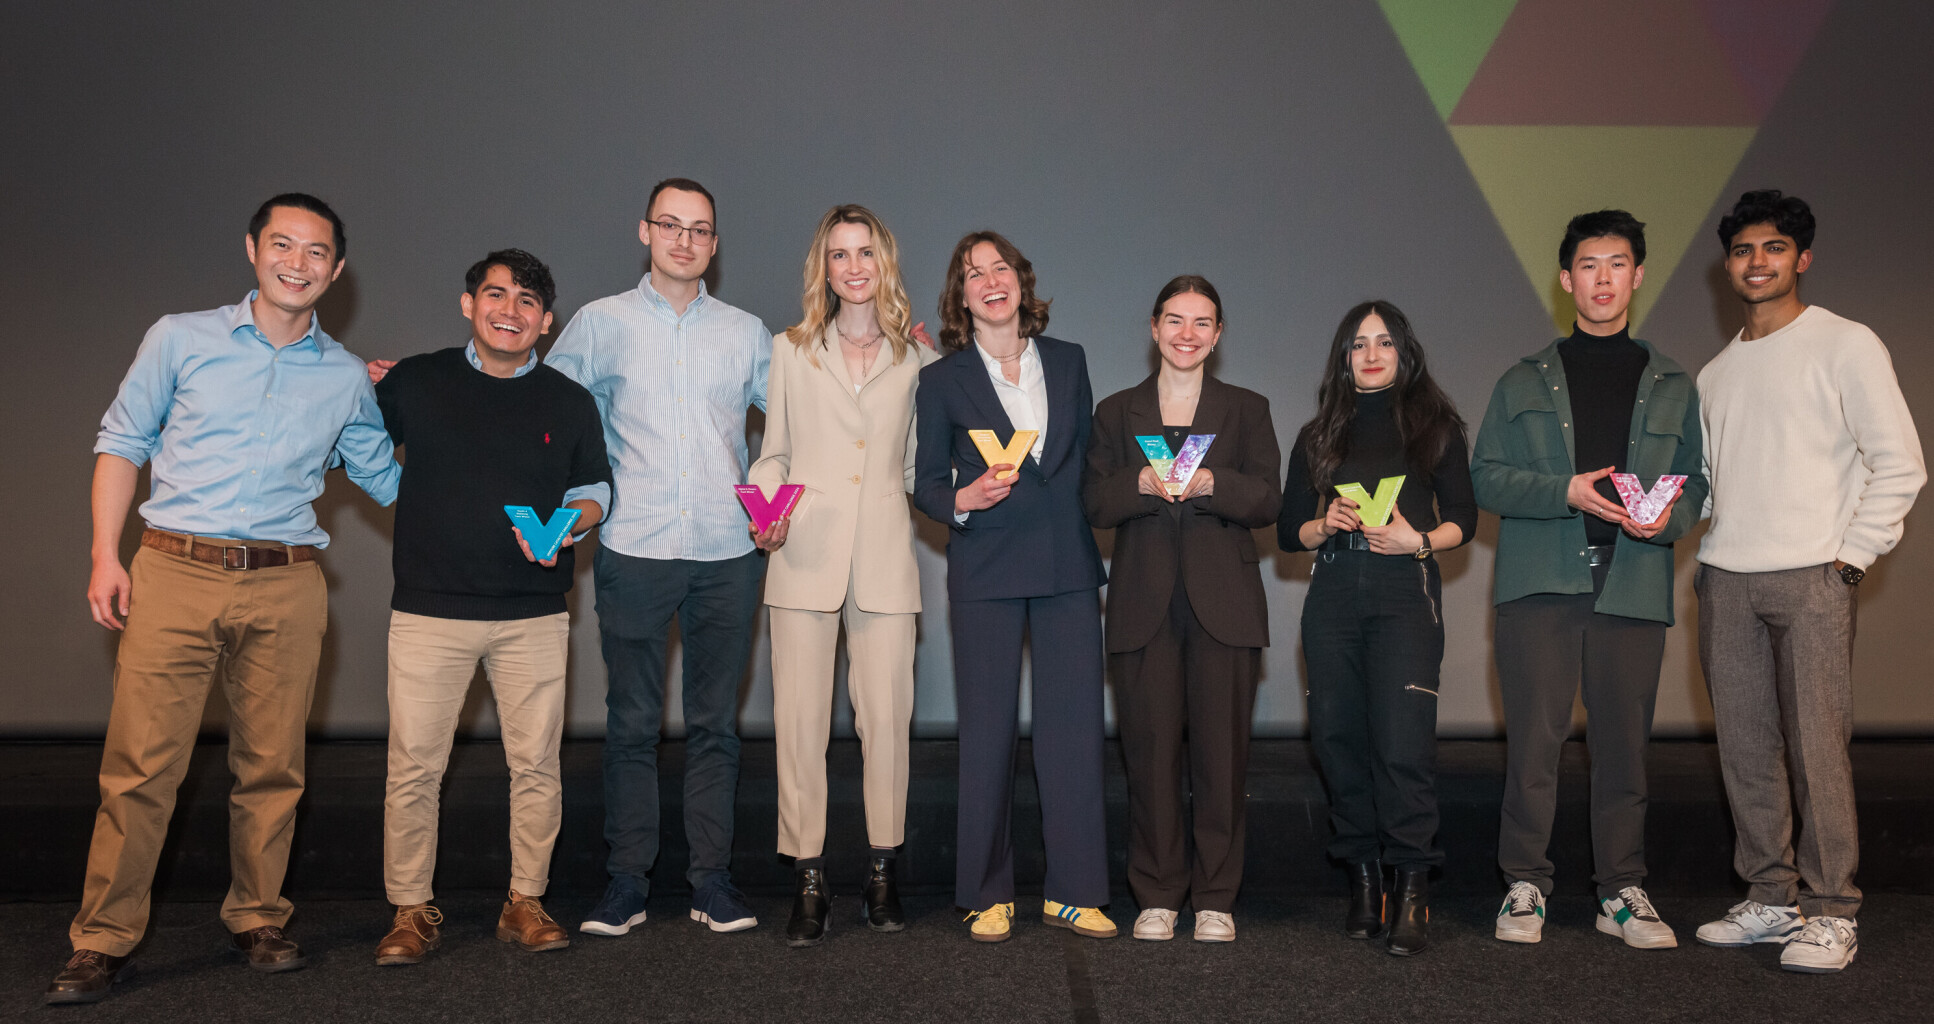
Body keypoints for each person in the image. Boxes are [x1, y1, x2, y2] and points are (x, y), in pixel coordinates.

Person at [53, 194, 401, 1005]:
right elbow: (121, 441)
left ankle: (257, 917)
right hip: (173, 570)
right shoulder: (180, 337)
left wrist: (425, 400)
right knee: (139, 768)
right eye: (283, 244)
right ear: (253, 249)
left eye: (317, 252)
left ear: (337, 270)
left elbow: (387, 480)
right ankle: (100, 939)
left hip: (287, 582)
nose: (299, 262)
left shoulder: (345, 376)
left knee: (273, 767)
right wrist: (107, 555)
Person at [1692, 190, 1923, 973]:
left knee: (1818, 749)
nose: (1758, 262)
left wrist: (1852, 558)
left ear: (1803, 258)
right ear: (1728, 266)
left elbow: (1900, 464)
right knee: (1747, 749)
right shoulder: (1716, 373)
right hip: (1725, 580)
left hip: (1815, 577)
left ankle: (1830, 910)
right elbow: (1717, 484)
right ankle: (1770, 898)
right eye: (1744, 250)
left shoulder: (1847, 344)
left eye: (1774, 248)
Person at [1471, 210, 1708, 950]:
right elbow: (1485, 476)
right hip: (1541, 585)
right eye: (1588, 266)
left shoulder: (1674, 383)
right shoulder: (1521, 380)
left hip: (1632, 586)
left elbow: (1696, 486)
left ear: (1637, 275)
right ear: (1566, 279)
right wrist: (1563, 492)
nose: (1602, 279)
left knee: (1624, 750)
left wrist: (1665, 518)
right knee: (1533, 748)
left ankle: (1621, 893)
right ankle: (1525, 886)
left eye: (1616, 264)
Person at [368, 249, 612, 965]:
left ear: (546, 319)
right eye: (497, 295)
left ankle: (525, 901)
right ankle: (410, 910)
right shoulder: (417, 380)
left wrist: (573, 523)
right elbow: (352, 446)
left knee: (535, 764)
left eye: (528, 301)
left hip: (533, 613)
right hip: (429, 611)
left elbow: (595, 487)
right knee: (413, 766)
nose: (512, 310)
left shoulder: (568, 400)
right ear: (468, 303)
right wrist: (344, 384)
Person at [545, 178, 771, 936]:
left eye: (700, 229)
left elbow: (808, 419)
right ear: (644, 231)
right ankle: (625, 883)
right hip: (633, 547)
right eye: (670, 226)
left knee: (715, 725)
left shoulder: (745, 332)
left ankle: (712, 882)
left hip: (727, 551)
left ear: (714, 241)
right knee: (632, 723)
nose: (684, 240)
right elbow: (541, 413)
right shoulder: (598, 324)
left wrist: (908, 360)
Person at [913, 231, 1114, 943]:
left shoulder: (1069, 361)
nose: (990, 280)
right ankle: (985, 892)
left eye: (1001, 268)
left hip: (1066, 568)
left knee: (1075, 736)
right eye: (974, 273)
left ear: (1021, 283)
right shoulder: (940, 380)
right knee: (987, 735)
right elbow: (927, 486)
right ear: (960, 297)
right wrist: (963, 499)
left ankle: (1077, 890)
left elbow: (1086, 462)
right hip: (987, 571)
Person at [746, 205, 938, 946]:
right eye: (838, 255)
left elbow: (920, 468)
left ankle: (884, 871)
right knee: (799, 726)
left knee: (886, 724)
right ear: (822, 269)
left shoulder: (916, 361)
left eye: (864, 253)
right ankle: (808, 878)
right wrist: (767, 509)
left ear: (884, 262)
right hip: (800, 557)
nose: (852, 267)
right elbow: (776, 452)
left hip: (886, 562)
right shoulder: (791, 350)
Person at [1082, 276, 1280, 943]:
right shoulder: (1116, 412)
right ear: (1153, 325)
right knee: (1150, 756)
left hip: (1224, 606)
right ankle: (1159, 892)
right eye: (1175, 320)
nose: (1187, 334)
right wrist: (1139, 483)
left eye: (1202, 323)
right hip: (1144, 606)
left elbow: (1268, 501)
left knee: (1222, 760)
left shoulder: (1247, 409)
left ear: (1218, 335)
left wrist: (1213, 482)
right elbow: (1093, 503)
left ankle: (1217, 896)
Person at [1277, 300, 1475, 956]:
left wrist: (1419, 540)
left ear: (1404, 352)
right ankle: (1365, 882)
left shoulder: (1434, 427)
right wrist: (1321, 524)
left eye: (1383, 342)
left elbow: (1465, 520)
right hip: (1332, 596)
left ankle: (1412, 887)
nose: (1370, 354)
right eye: (1358, 344)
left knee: (1401, 746)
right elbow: (1287, 529)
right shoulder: (1317, 435)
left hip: (1404, 597)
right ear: (1343, 357)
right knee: (1338, 741)